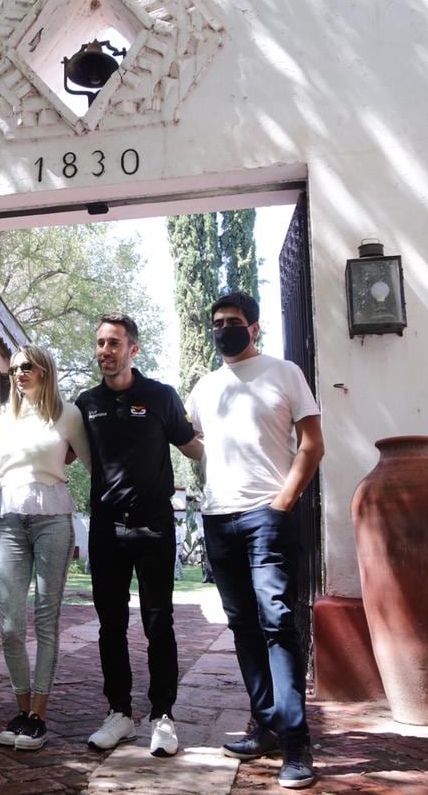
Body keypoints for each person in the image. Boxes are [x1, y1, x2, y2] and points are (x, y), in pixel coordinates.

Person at [185, 292, 324, 790]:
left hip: (268, 514)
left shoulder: (285, 373)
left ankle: (295, 742)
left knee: (278, 620)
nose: (225, 329)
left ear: (254, 327)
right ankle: (265, 722)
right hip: (218, 518)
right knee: (243, 623)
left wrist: (282, 502)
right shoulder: (204, 387)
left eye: (234, 322)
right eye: (218, 323)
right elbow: (197, 443)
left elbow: (312, 443)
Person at [77, 314, 202, 758]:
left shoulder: (161, 397)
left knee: (158, 622)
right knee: (110, 625)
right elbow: (58, 449)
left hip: (153, 523)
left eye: (114, 343)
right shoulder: (86, 403)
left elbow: (194, 446)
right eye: (100, 343)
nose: (105, 351)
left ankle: (162, 716)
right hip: (106, 528)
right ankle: (119, 714)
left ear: (134, 349)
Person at [0, 345, 91, 751]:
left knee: (45, 621)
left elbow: (92, 465)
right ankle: (22, 708)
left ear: (45, 370)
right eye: (14, 369)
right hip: (10, 519)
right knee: (11, 624)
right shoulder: (4, 417)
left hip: (53, 519)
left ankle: (39, 716)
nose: (19, 374)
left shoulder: (67, 414)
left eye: (27, 367)